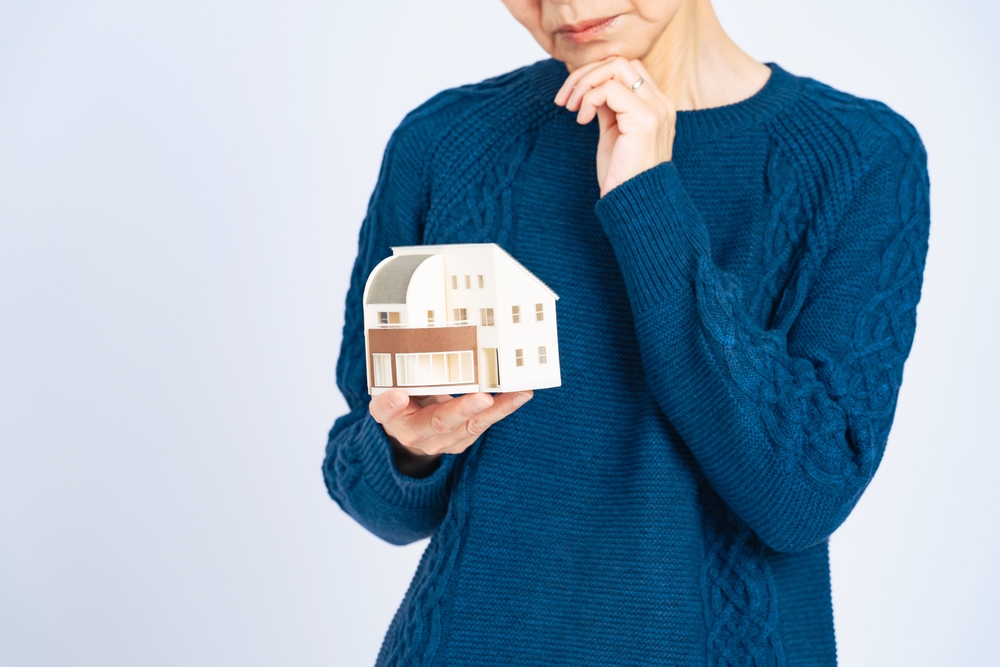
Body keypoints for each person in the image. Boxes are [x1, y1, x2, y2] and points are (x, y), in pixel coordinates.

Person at [323, 0, 930, 664]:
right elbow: (370, 479)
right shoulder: (448, 141)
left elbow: (802, 498)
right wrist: (410, 449)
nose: (565, 6)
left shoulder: (859, 157)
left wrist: (648, 197)